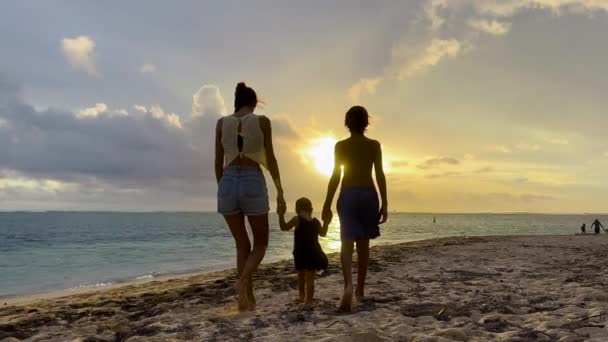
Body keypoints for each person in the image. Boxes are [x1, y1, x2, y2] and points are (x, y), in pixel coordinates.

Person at [215, 82, 286, 311]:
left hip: (227, 180)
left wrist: (223, 187)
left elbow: (218, 162)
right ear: (254, 104)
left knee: (241, 244)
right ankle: (243, 282)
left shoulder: (221, 123)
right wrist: (280, 190)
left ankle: (247, 298)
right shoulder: (262, 122)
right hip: (252, 178)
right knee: (261, 242)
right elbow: (272, 159)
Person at [322, 105, 388, 312]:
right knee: (363, 245)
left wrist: (326, 204)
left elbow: (335, 176)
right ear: (366, 123)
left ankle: (348, 285)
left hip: (348, 194)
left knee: (346, 243)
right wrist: (385, 202)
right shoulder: (374, 145)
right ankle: (360, 289)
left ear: (347, 123)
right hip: (368, 194)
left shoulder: (340, 146)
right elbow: (379, 174)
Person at [278, 197, 329, 307]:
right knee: (310, 278)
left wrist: (281, 215)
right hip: (314, 252)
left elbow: (284, 227)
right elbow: (323, 233)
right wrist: (326, 223)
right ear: (311, 209)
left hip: (300, 253)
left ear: (297, 209)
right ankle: (308, 300)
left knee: (301, 275)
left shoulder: (297, 219)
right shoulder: (316, 221)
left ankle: (303, 297)